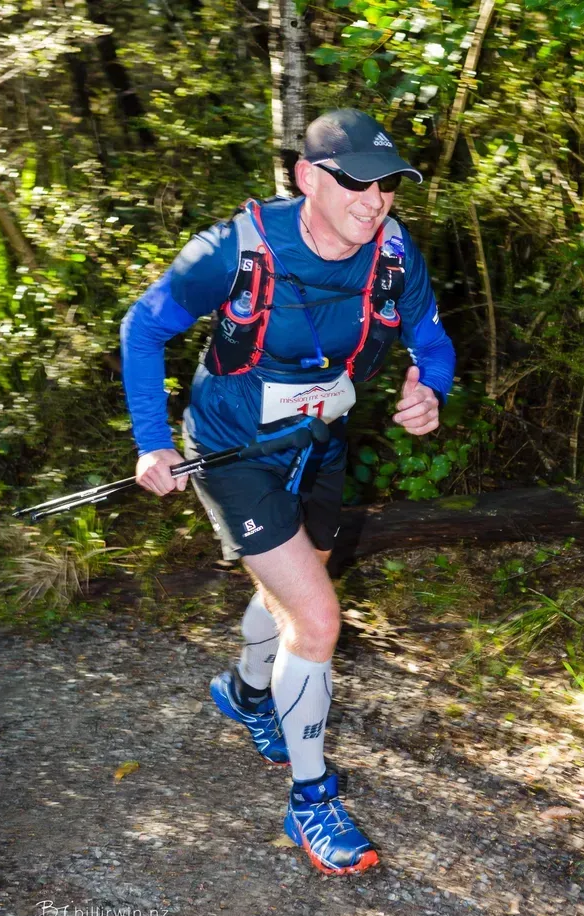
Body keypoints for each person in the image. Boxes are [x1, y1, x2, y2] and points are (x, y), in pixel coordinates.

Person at [121, 108, 455, 876]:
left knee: (295, 594)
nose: (374, 202)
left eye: (387, 186)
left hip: (318, 444)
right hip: (231, 451)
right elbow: (143, 327)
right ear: (308, 177)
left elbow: (431, 340)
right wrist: (152, 441)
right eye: (356, 184)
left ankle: (246, 693)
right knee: (316, 617)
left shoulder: (394, 253)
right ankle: (311, 799)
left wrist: (428, 388)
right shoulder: (233, 249)